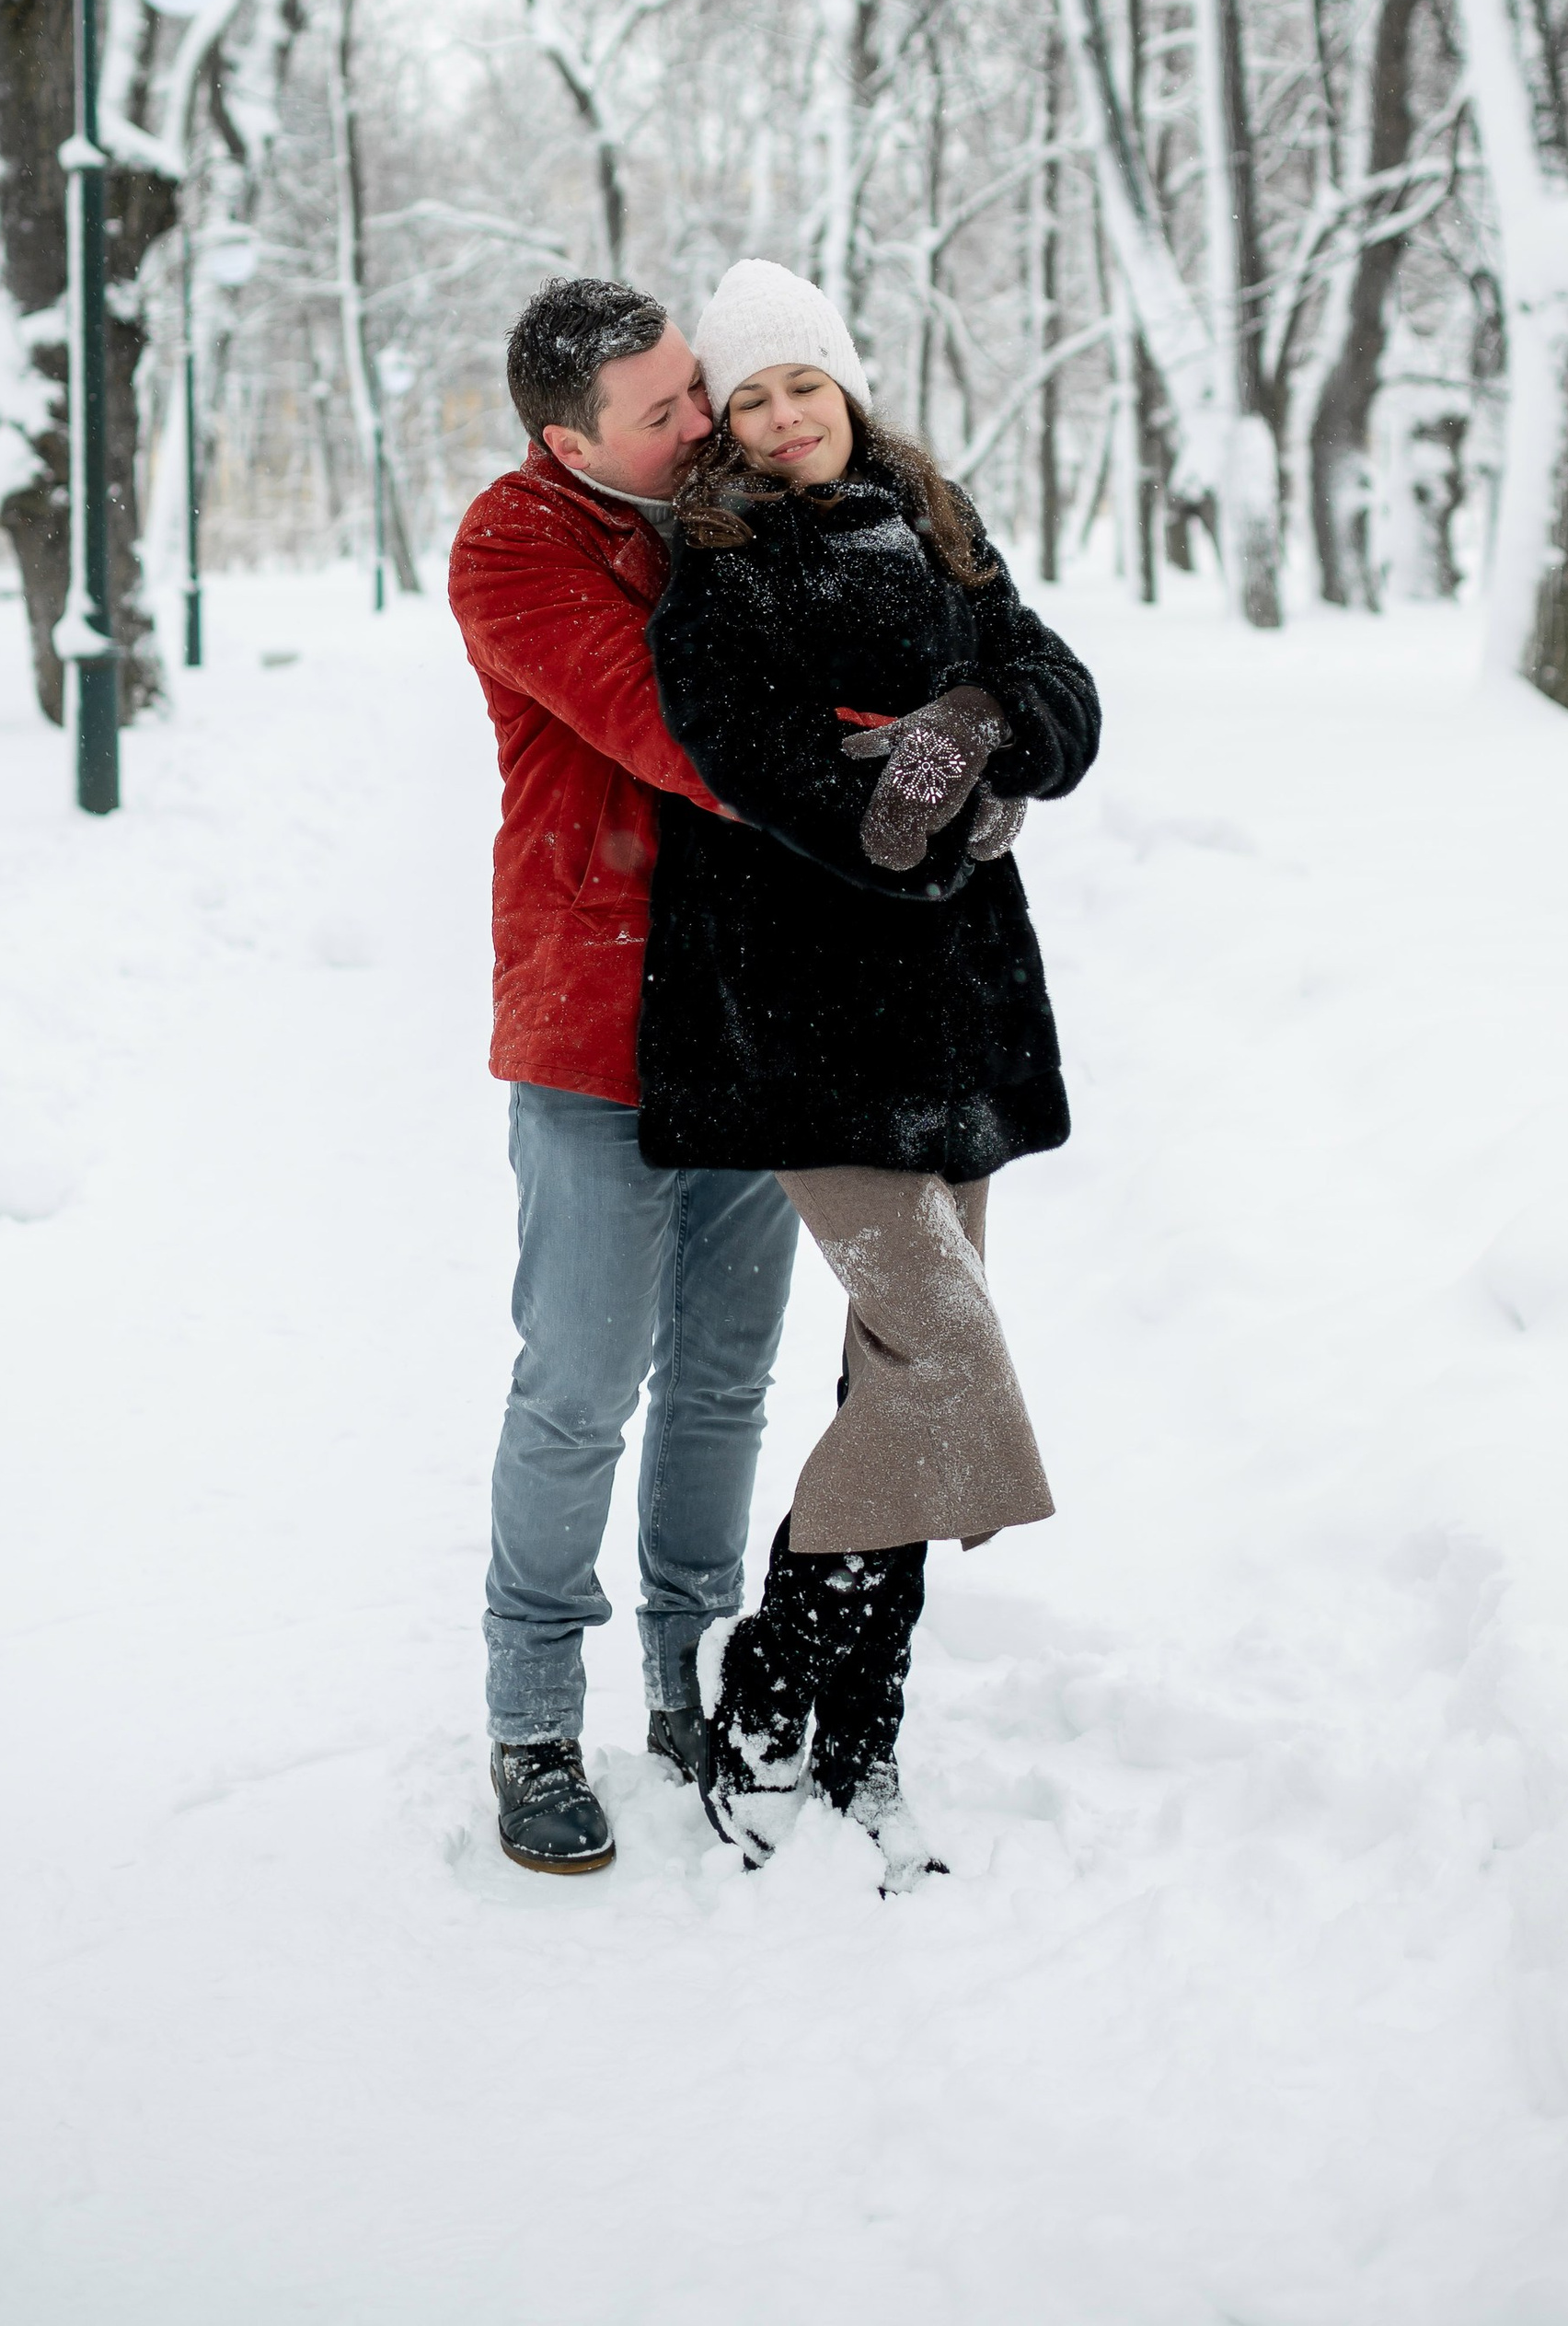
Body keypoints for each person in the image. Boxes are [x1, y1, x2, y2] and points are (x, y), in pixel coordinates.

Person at [639, 259, 1101, 1886]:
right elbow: (754, 764)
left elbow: (1058, 688)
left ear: (845, 382)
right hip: (805, 1026)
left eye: (803, 388)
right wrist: (901, 804)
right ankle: (769, 1693)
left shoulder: (936, 513)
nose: (780, 421)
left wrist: (980, 722)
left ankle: (857, 1734)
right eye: (750, 398)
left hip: (958, 1024)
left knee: (894, 1385)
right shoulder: (714, 563)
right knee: (945, 1360)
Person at [448, 278, 801, 1877]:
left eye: (696, 389)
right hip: (597, 1020)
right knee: (581, 1387)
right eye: (662, 412)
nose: (702, 420)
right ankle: (532, 1714)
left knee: (725, 1378)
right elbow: (674, 722)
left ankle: (692, 1670)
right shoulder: (513, 546)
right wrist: (890, 758)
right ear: (565, 437)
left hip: (758, 1011)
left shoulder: (749, 496)